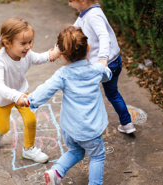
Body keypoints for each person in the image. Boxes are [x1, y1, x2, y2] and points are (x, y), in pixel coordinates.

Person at [24, 25, 112, 185]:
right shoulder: (96, 70)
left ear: (63, 56)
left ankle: (57, 172)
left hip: (70, 129)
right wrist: (103, 66)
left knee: (76, 151)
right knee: (97, 156)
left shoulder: (63, 74)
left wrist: (31, 100)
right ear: (88, 47)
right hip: (91, 130)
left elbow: (46, 89)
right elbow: (107, 75)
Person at [0, 17, 60, 163]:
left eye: (30, 42)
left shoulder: (26, 54)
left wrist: (50, 55)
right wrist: (16, 96)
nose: (28, 47)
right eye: (23, 43)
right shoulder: (0, 62)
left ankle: (29, 149)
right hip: (4, 99)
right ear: (8, 43)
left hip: (22, 94)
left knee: (31, 120)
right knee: (3, 127)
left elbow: (38, 57)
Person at [68, 0, 136, 134]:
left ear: (82, 1)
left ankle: (87, 127)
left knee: (87, 94)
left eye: (70, 1)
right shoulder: (86, 14)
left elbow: (104, 36)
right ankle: (127, 124)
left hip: (104, 65)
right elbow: (70, 32)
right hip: (114, 62)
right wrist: (57, 48)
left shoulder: (93, 15)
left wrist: (102, 59)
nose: (69, 4)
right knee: (113, 94)